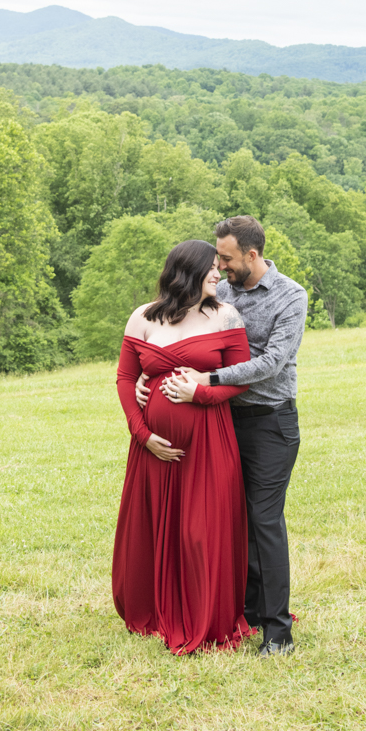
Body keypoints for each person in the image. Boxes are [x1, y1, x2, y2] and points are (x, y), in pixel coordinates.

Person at [146, 216, 308, 658]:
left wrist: (208, 378)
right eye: (217, 258)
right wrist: (148, 378)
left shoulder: (291, 297)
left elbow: (273, 362)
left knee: (264, 522)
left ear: (252, 255)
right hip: (221, 422)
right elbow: (179, 332)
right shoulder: (222, 291)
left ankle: (278, 632)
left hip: (271, 422)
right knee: (231, 519)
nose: (218, 266)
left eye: (226, 258)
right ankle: (247, 609)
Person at [112, 239, 253, 655]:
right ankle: (155, 609)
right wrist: (142, 434)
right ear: (186, 273)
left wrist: (200, 396)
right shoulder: (142, 318)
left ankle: (206, 614)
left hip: (210, 442)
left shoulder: (225, 315)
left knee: (200, 532)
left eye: (219, 266)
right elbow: (125, 378)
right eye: (211, 268)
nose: (218, 275)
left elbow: (241, 377)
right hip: (153, 451)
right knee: (156, 530)